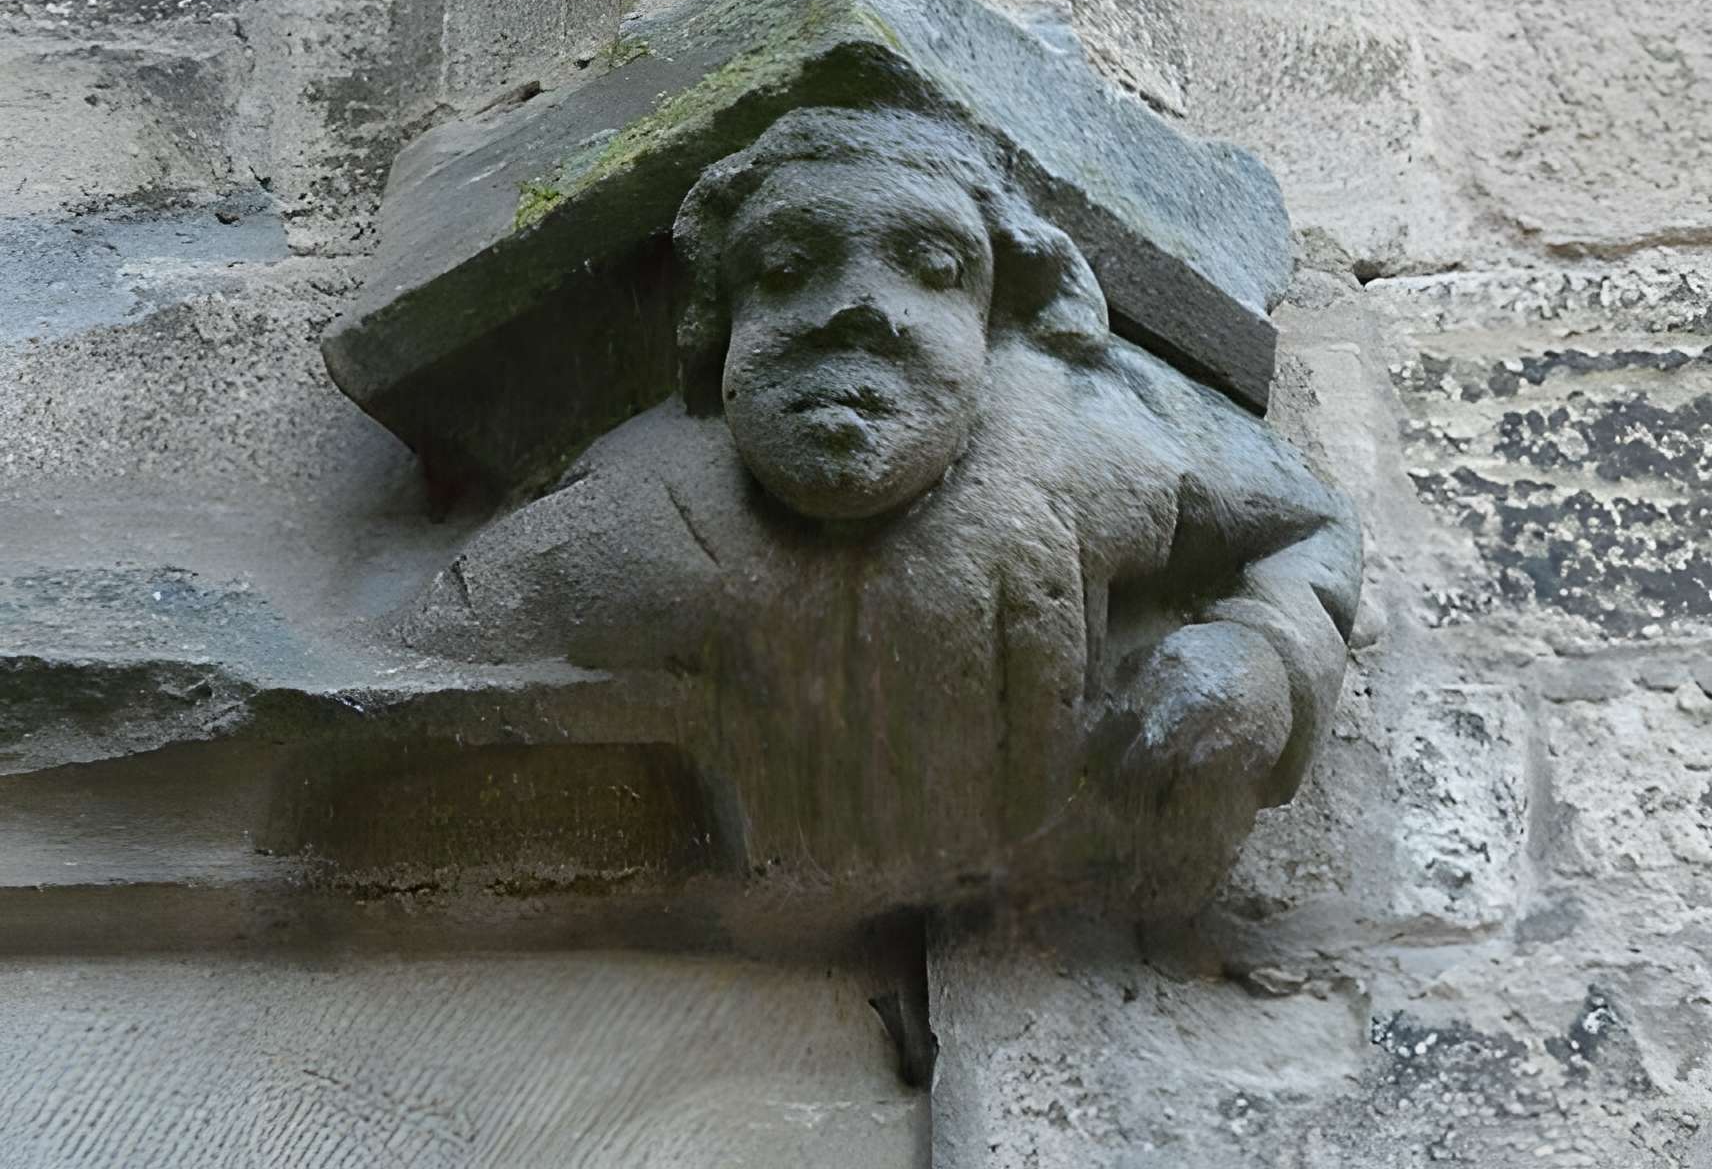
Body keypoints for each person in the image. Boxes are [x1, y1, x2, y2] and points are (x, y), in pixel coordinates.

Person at [396, 106, 1361, 911]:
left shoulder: (1092, 439)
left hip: (1072, 898)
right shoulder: (631, 515)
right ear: (715, 333)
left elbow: (1308, 528)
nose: (857, 308)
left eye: (932, 268)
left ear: (996, 325)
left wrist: (1262, 664)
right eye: (785, 271)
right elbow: (396, 677)